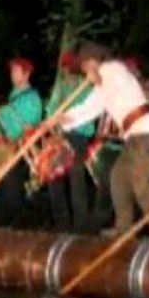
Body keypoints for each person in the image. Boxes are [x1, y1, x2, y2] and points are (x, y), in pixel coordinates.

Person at [61, 42, 149, 242]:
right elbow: (91, 108)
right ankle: (124, 229)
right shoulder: (102, 84)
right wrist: (65, 118)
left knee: (142, 185)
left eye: (86, 66)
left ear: (93, 61)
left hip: (145, 132)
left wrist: (98, 76)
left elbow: (111, 81)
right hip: (134, 136)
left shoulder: (114, 69)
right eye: (84, 69)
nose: (85, 71)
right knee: (118, 177)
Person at [0, 57, 43, 227]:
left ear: (27, 74)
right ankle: (5, 223)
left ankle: (15, 225)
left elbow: (22, 126)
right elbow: (3, 118)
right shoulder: (14, 95)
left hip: (20, 150)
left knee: (13, 192)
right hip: (6, 148)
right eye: (12, 71)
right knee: (2, 191)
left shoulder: (32, 98)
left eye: (16, 71)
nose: (12, 75)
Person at [46, 51, 94, 232]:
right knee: (55, 176)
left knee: (76, 178)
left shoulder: (86, 86)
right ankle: (62, 222)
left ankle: (81, 225)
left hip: (78, 136)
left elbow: (86, 114)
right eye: (64, 66)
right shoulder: (60, 86)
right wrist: (53, 121)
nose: (67, 70)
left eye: (70, 66)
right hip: (60, 136)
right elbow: (51, 109)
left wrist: (66, 116)